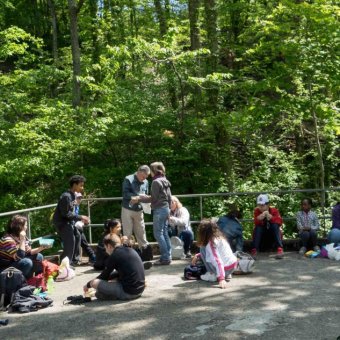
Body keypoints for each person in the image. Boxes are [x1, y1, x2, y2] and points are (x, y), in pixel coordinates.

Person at [132, 162, 172, 265]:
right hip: (166, 209)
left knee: (158, 234)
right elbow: (169, 198)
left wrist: (140, 198)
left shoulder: (155, 182)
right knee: (164, 233)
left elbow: (153, 199)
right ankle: (168, 255)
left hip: (159, 209)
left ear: (154, 171)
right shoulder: (165, 180)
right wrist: (169, 211)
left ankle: (165, 258)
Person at [84, 233, 145, 301]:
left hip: (129, 293)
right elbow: (116, 273)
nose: (106, 251)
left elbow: (103, 276)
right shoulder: (130, 249)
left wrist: (88, 285)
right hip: (140, 290)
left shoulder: (114, 255)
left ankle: (107, 295)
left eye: (105, 248)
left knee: (94, 283)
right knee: (113, 279)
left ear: (109, 246)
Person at [53, 175, 90, 265]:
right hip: (62, 222)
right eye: (81, 185)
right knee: (70, 242)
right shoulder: (66, 196)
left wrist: (79, 219)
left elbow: (71, 212)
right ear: (74, 185)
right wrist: (81, 217)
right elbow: (66, 213)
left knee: (77, 235)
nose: (82, 188)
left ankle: (72, 260)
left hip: (69, 221)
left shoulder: (73, 195)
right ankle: (65, 264)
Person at [191, 219, 237, 289]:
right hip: (232, 266)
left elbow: (218, 261)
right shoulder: (220, 237)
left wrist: (221, 279)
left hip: (225, 269)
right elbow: (219, 253)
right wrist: (198, 255)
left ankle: (212, 274)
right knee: (204, 249)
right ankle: (226, 274)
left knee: (202, 247)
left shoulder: (211, 243)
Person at [121, 165, 153, 261]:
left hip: (139, 209)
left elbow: (145, 195)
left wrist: (142, 199)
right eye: (143, 177)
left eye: (146, 177)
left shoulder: (146, 181)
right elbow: (125, 193)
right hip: (127, 209)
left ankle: (145, 256)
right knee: (127, 232)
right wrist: (137, 197)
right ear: (139, 172)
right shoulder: (128, 179)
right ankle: (127, 256)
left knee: (141, 232)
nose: (144, 179)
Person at [251, 194, 284, 259]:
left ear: (268, 205)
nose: (261, 207)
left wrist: (271, 218)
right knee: (258, 227)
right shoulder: (257, 211)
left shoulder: (274, 210)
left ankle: (279, 248)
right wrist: (259, 220)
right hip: (262, 238)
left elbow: (280, 222)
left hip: (272, 237)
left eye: (262, 205)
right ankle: (254, 249)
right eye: (259, 205)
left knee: (275, 225)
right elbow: (255, 223)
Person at [73, 192, 96, 264]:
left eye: (80, 198)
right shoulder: (71, 206)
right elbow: (70, 217)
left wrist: (84, 221)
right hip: (70, 227)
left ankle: (92, 256)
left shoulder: (77, 206)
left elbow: (76, 218)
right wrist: (81, 220)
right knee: (79, 238)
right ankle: (76, 259)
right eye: (78, 198)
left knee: (83, 240)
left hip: (76, 227)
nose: (80, 200)